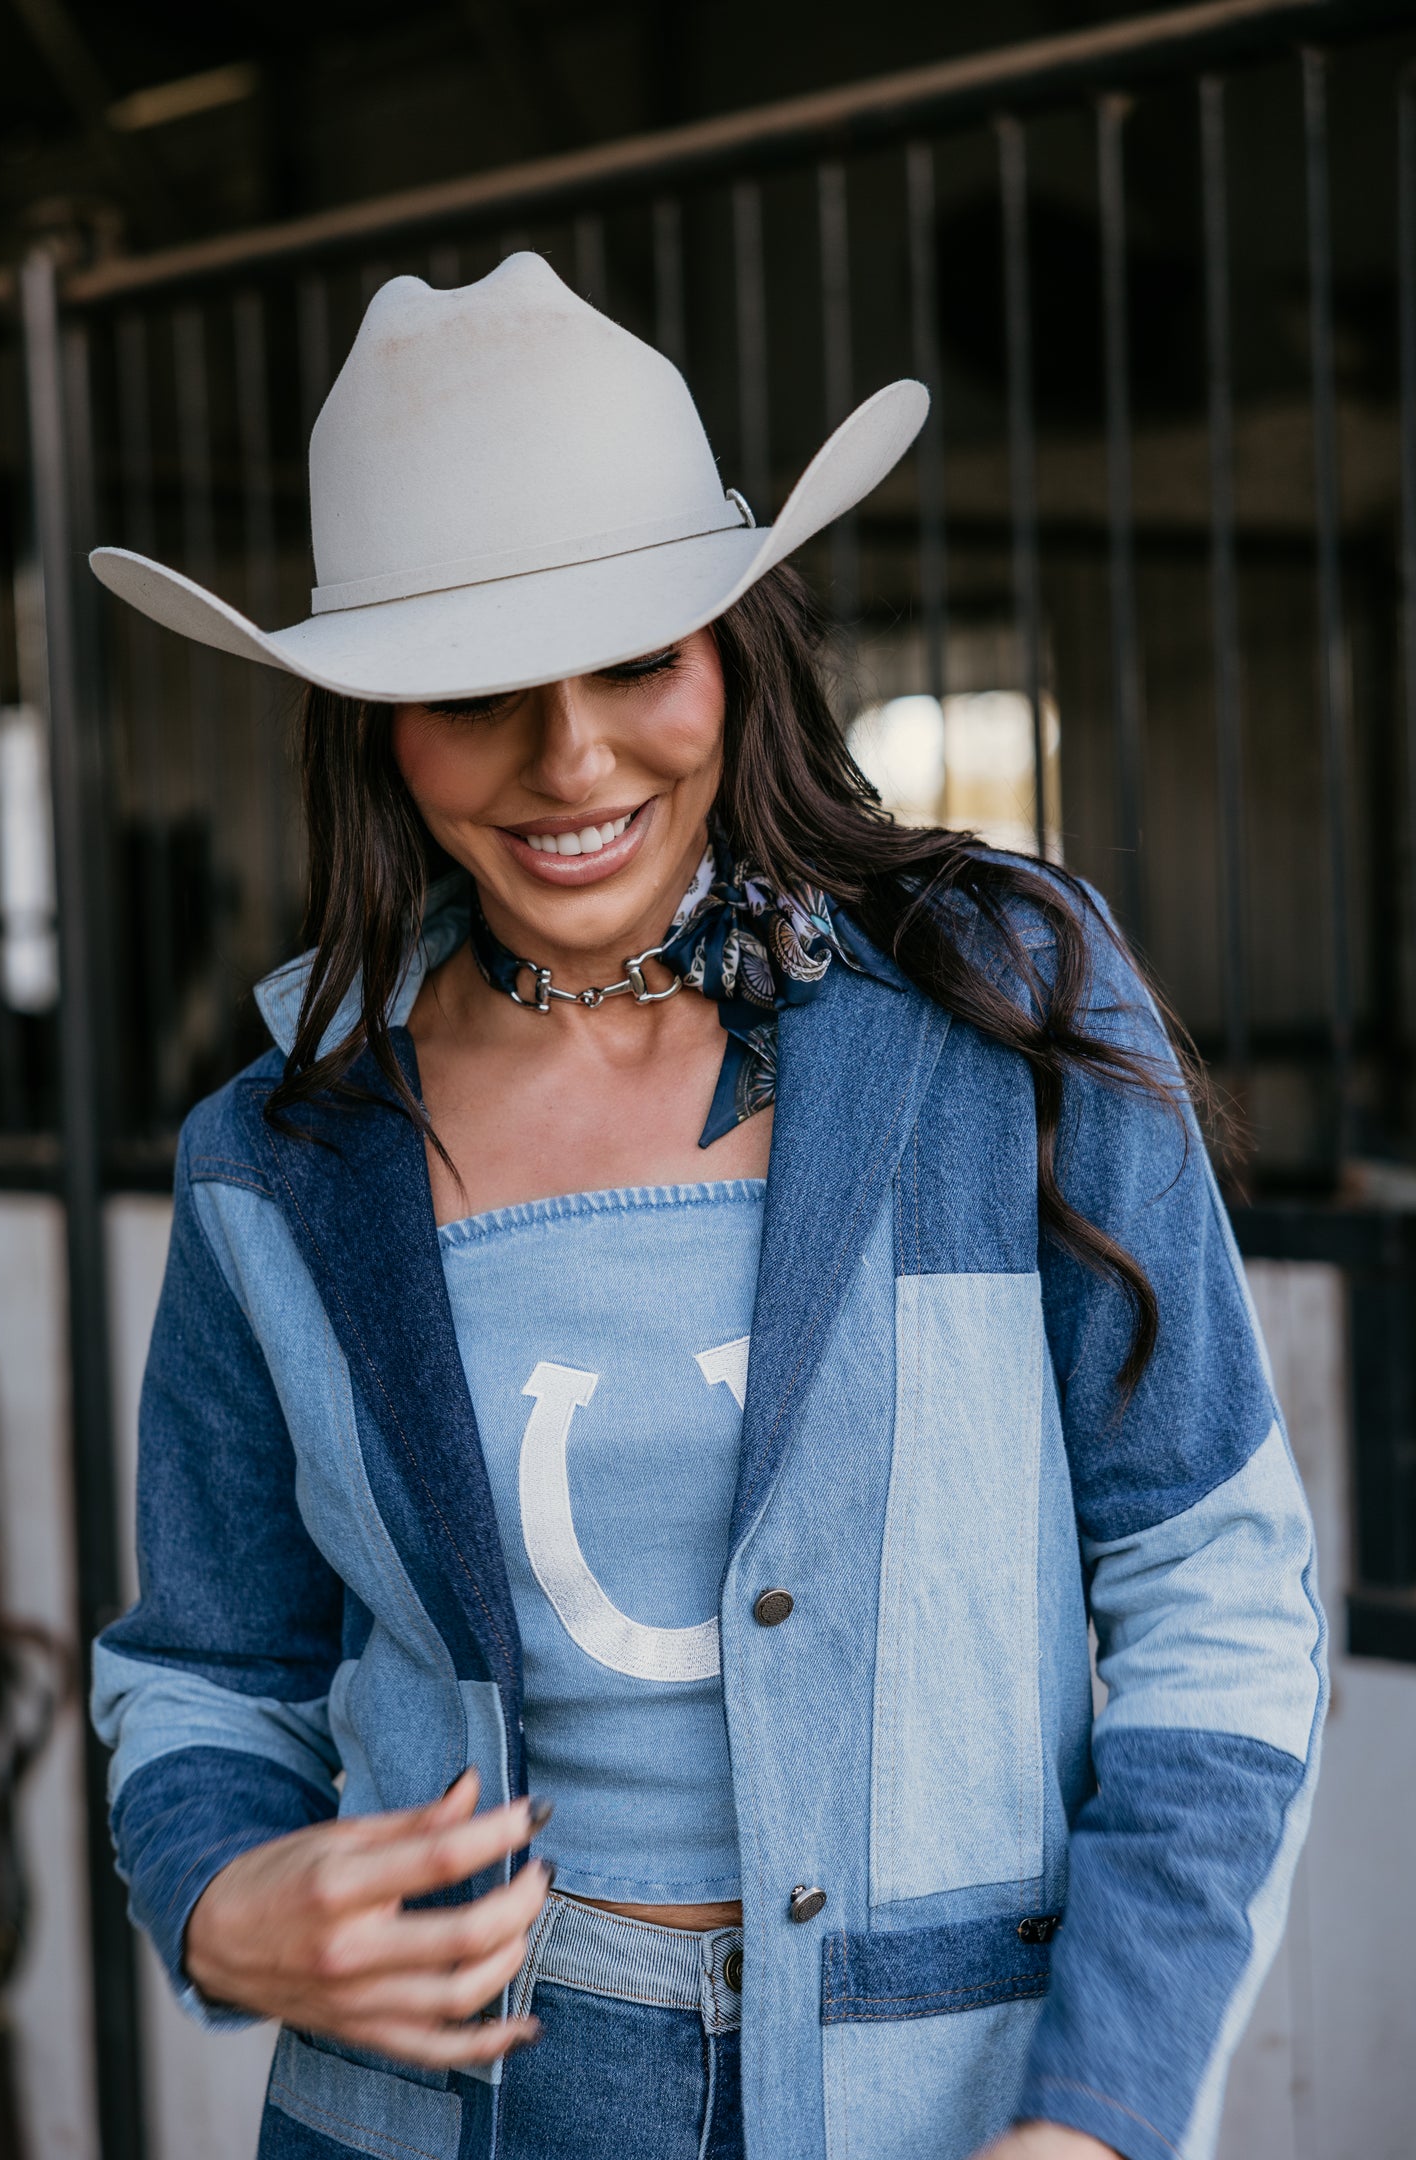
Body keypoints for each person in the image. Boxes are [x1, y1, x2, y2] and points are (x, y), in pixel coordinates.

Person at [89, 255, 1324, 2160]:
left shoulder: (1000, 1010)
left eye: (637, 660)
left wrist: (1099, 2112)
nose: (572, 758)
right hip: (437, 2114)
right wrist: (217, 1892)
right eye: (477, 694)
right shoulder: (277, 1162)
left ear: (737, 653)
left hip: (946, 2101)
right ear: (377, 727)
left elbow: (1215, 1597)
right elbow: (207, 1674)